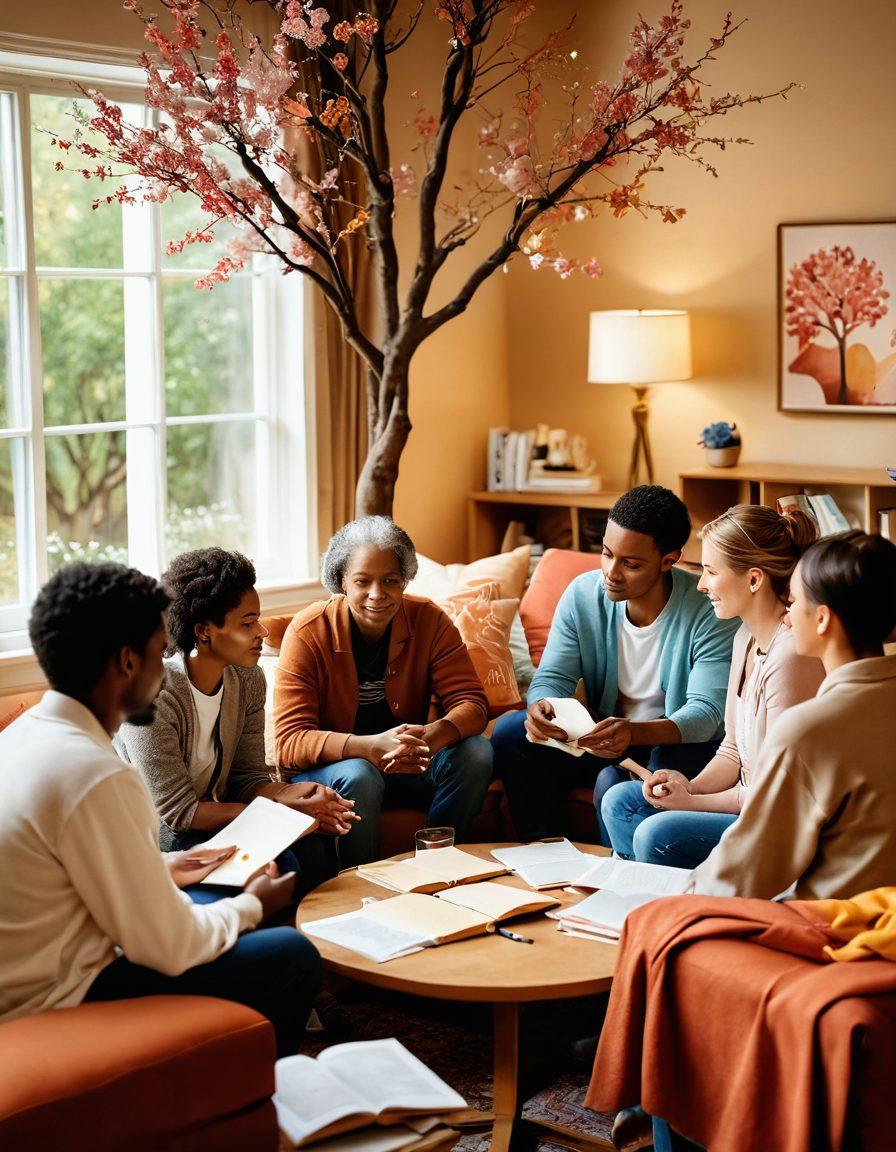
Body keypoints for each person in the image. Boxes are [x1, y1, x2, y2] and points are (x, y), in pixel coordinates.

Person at [0, 563, 320, 1055]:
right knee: (292, 953)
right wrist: (256, 904)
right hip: (58, 996)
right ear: (128, 662)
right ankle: (260, 1097)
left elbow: (63, 877)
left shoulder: (23, 738)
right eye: (158, 651)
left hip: (34, 974)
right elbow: (168, 948)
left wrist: (164, 868)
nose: (165, 664)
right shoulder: (96, 773)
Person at [492, 485, 740, 846]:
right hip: (603, 737)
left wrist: (633, 732)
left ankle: (620, 876)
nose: (611, 572)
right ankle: (546, 854)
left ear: (669, 560)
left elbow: (705, 715)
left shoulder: (708, 609)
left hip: (672, 744)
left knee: (616, 779)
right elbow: (552, 677)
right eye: (607, 554)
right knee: (511, 731)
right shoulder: (582, 595)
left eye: (631, 564)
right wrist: (543, 706)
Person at [116, 548, 355, 897]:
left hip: (206, 815)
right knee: (282, 862)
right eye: (247, 623)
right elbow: (179, 815)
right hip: (154, 830)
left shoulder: (247, 680)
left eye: (257, 619)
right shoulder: (152, 696)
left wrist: (290, 795)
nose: (261, 631)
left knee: (313, 851)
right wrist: (279, 810)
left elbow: (247, 777)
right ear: (204, 631)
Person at [601, 504, 824, 868]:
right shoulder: (744, 637)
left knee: (654, 834)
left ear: (754, 580)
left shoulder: (791, 657)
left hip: (778, 822)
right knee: (620, 800)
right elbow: (733, 751)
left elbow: (773, 796)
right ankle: (647, 900)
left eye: (710, 571)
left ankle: (675, 911)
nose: (701, 584)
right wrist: (689, 785)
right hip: (749, 802)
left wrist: (691, 803)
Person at [273, 516, 493, 868]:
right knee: (360, 773)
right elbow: (290, 743)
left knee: (476, 753)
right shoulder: (308, 632)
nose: (377, 594)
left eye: (390, 580)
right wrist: (369, 747)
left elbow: (473, 703)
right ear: (341, 581)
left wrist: (433, 736)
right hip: (337, 771)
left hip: (405, 762)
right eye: (363, 581)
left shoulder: (429, 620)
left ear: (405, 580)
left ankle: (436, 868)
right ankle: (358, 889)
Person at [691, 529, 896, 900]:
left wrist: (676, 902)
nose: (786, 616)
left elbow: (739, 879)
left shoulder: (810, 730)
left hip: (835, 929)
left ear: (821, 619)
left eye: (793, 600)